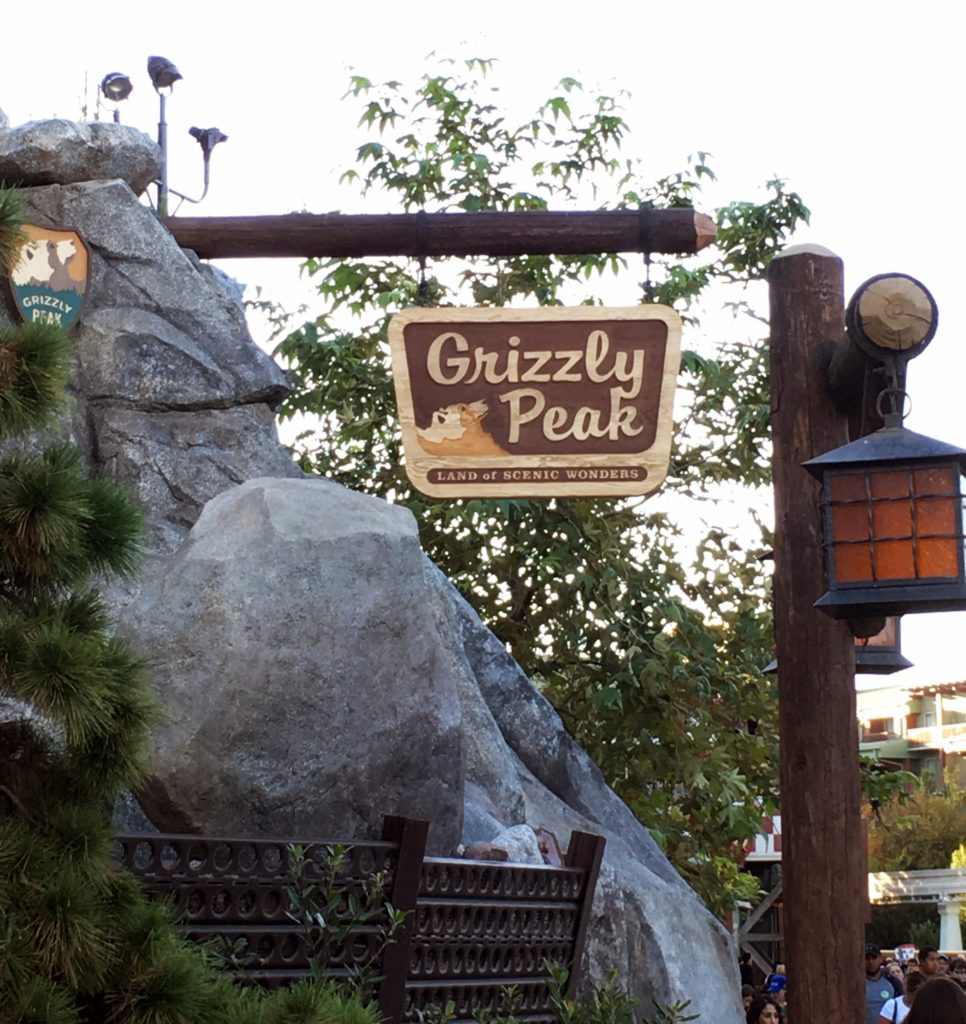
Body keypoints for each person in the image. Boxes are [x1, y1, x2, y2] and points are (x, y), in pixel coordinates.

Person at [870, 943, 905, 1023]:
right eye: (867, 958)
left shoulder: (893, 982)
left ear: (880, 959)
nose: (871, 961)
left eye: (874, 957)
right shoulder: (856, 983)